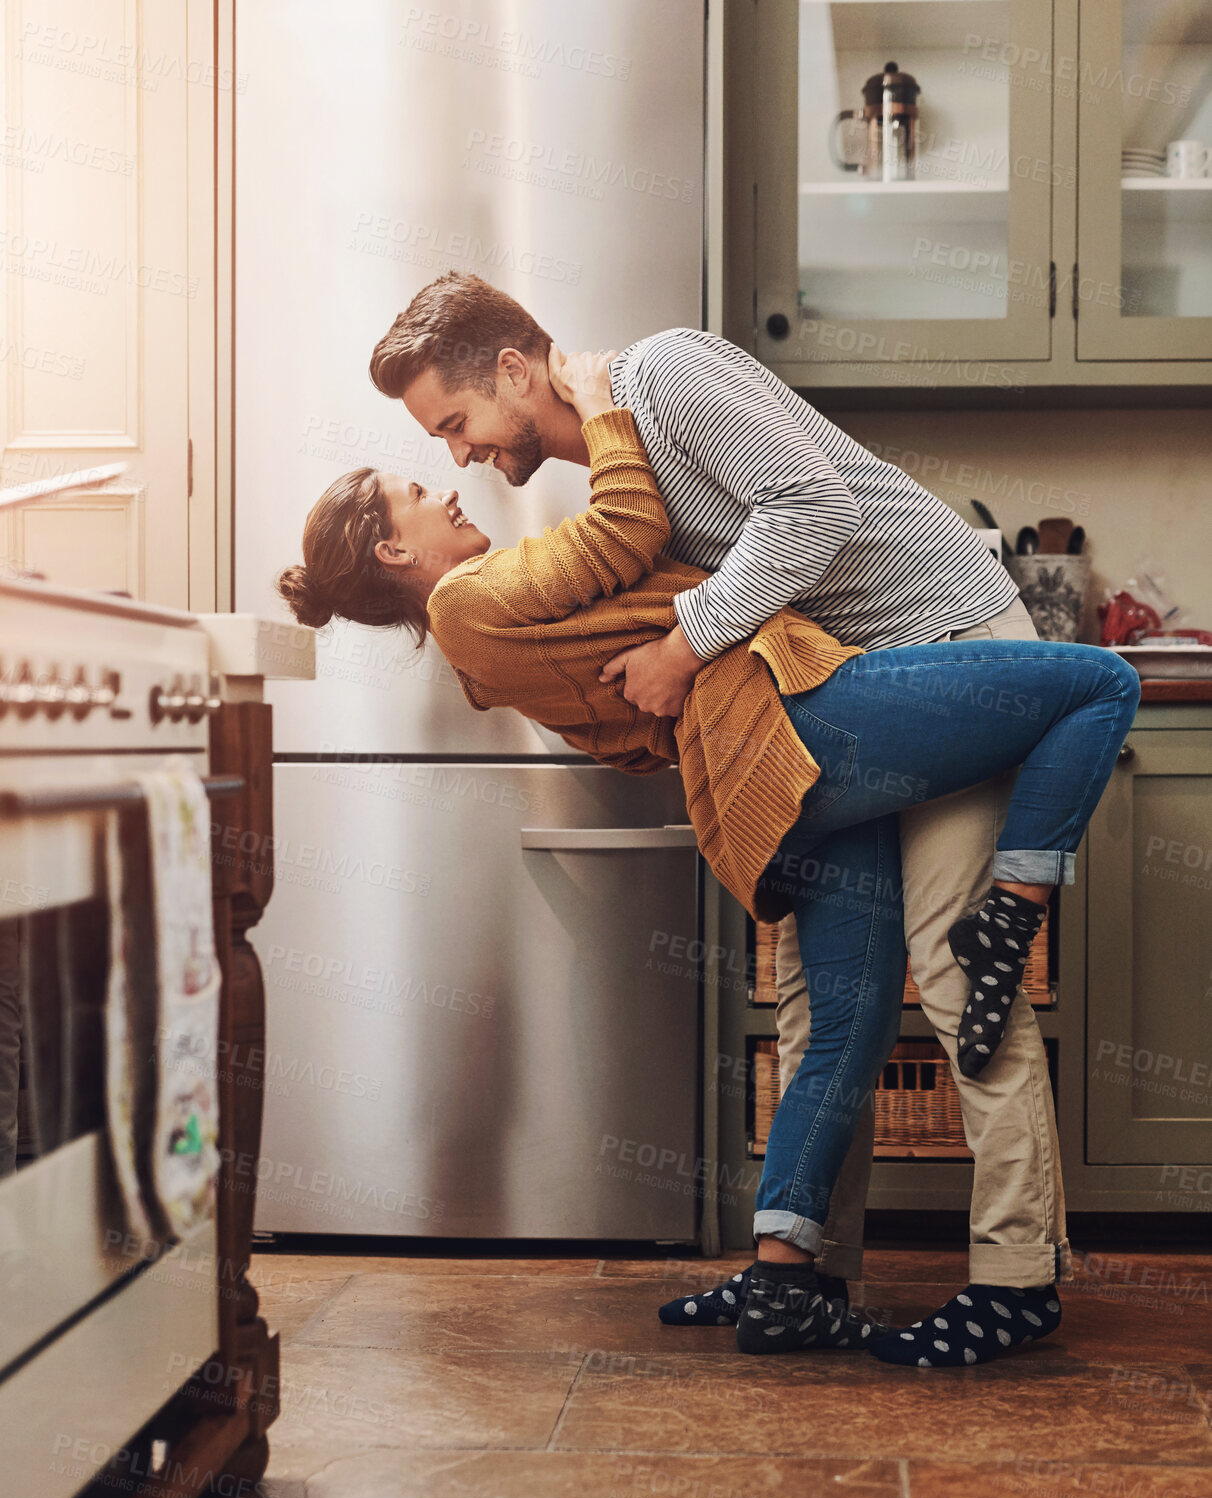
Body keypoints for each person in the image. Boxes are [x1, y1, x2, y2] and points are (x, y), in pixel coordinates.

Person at [279, 349, 1140, 1368]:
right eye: (428, 469)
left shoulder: (665, 381)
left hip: (892, 667)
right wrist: (681, 652)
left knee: (916, 990)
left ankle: (972, 1275)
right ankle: (801, 1270)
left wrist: (680, 663)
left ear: (514, 370)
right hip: (795, 727)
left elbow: (764, 530)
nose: (456, 461)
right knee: (838, 1010)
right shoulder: (486, 590)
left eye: (452, 426)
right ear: (390, 549)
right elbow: (630, 541)